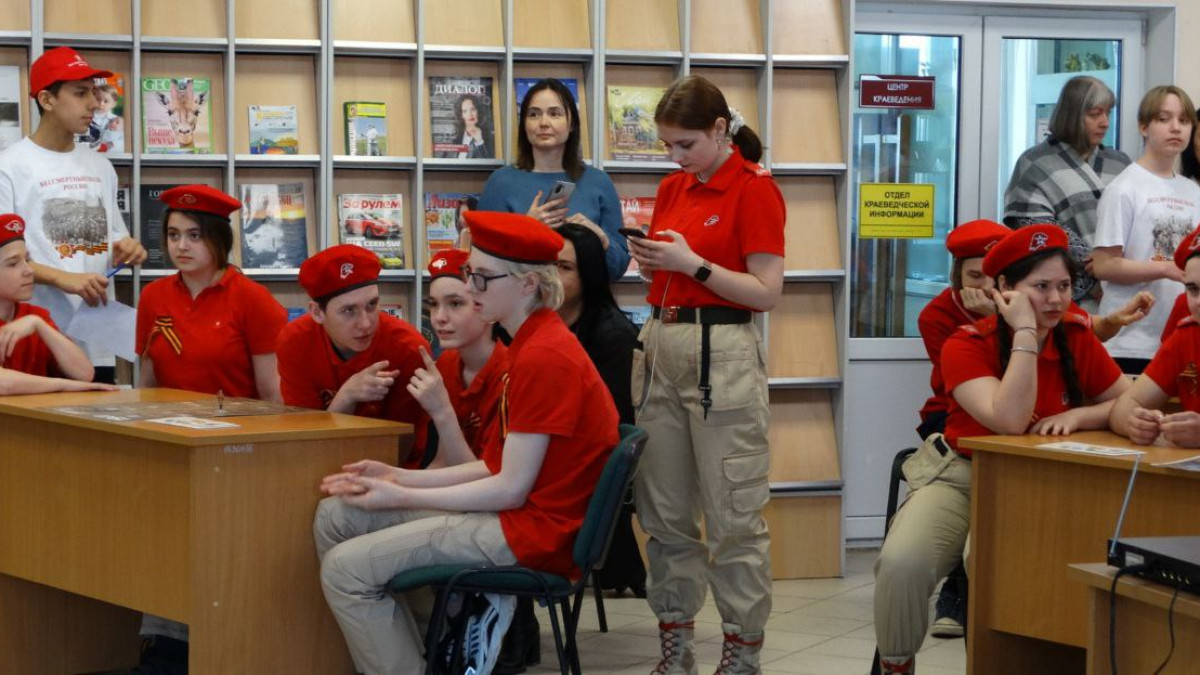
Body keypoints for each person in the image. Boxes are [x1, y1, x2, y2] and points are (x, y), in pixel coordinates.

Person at [313, 211, 619, 675]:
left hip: (531, 533)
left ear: (527, 284)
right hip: (519, 516)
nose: (471, 288)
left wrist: (400, 494)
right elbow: (493, 466)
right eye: (470, 273)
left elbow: (508, 489)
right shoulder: (532, 342)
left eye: (482, 278)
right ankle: (430, 652)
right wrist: (398, 477)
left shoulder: (544, 357)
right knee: (335, 515)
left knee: (344, 570)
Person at [874, 225, 1130, 674]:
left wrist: (1081, 416)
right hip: (960, 477)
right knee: (902, 563)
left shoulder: (1075, 337)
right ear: (1005, 288)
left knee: (990, 565)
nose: (1055, 299)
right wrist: (1026, 332)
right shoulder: (966, 343)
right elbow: (1009, 420)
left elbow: (1126, 400)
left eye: (1064, 286)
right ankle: (896, 665)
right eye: (1041, 287)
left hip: (1037, 481)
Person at [626, 74, 784, 674]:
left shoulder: (754, 188)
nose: (675, 156)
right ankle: (677, 647)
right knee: (663, 513)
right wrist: (654, 263)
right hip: (660, 342)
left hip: (722, 348)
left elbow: (766, 292)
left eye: (685, 144)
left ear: (720, 130)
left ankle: (742, 652)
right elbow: (671, 273)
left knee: (733, 516)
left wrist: (691, 264)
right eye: (667, 145)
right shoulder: (674, 186)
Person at [0, 47, 147, 383]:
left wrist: (127, 248)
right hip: (32, 338)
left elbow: (114, 237)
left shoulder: (100, 166)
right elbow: (4, 256)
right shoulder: (9, 167)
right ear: (47, 100)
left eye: (93, 93)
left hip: (97, 338)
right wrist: (63, 278)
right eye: (81, 93)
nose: (94, 103)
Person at [556, 222, 647, 596]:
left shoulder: (613, 335)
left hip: (591, 456)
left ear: (590, 276)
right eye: (546, 265)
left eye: (563, 267)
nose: (551, 276)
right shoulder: (539, 322)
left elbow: (614, 426)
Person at [275, 244, 430, 460]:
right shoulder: (295, 342)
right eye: (348, 310)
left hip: (391, 471)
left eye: (372, 304)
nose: (365, 323)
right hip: (317, 464)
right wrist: (345, 398)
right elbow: (304, 444)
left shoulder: (408, 348)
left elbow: (404, 450)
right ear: (317, 312)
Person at [136, 185, 286, 400]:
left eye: (195, 235)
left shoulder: (253, 298)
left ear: (219, 238)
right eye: (173, 235)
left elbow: (271, 393)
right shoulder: (153, 295)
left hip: (237, 419)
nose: (181, 246)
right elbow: (147, 385)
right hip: (167, 418)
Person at [1091, 85, 1200, 374]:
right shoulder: (1124, 188)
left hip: (1182, 338)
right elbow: (1104, 265)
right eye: (1164, 119)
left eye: (1184, 120)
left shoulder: (1193, 191)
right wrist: (1164, 268)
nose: (1175, 128)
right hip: (1131, 342)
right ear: (1143, 127)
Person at [478, 78, 630, 281]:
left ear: (572, 123)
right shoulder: (501, 182)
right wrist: (526, 230)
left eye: (554, 113)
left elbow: (618, 268)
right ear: (524, 125)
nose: (543, 123)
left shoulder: (598, 182)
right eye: (534, 114)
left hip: (586, 299)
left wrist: (599, 238)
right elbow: (483, 264)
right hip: (520, 299)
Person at [1003, 75, 1131, 310]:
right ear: (1072, 115)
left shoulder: (1120, 162)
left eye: (1108, 113)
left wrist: (1114, 267)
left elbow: (1138, 221)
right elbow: (1034, 227)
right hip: (1062, 295)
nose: (1104, 122)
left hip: (1122, 287)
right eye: (1095, 114)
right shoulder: (1035, 163)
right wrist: (1092, 266)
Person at [407, 248, 508, 468]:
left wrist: (442, 411)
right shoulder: (447, 362)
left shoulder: (511, 374)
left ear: (488, 307)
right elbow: (442, 461)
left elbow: (492, 479)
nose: (439, 318)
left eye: (455, 304)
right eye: (434, 304)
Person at [0, 213, 112, 395]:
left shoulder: (34, 316)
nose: (28, 271)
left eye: (27, 260)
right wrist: (63, 385)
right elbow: (3, 383)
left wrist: (40, 325)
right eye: (13, 264)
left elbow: (84, 373)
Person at [1112, 226, 1200, 447]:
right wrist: (1134, 423)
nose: (1198, 301)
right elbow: (1126, 405)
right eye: (1193, 289)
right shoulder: (1186, 336)